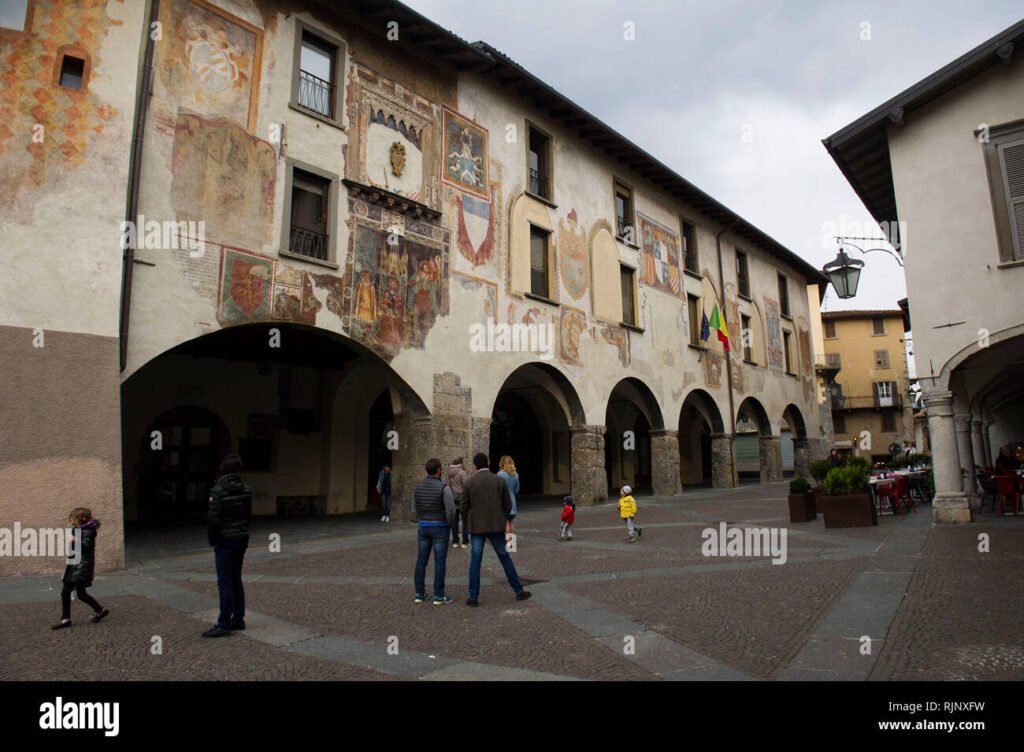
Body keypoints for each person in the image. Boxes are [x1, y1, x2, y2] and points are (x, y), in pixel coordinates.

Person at [461, 452, 531, 607]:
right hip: (496, 526)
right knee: (505, 558)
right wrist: (503, 518)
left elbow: (464, 507)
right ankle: (518, 591)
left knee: (475, 561)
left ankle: (473, 597)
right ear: (488, 462)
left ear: (474, 465)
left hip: (477, 527)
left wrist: (467, 523)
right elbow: (507, 504)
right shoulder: (499, 481)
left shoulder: (470, 482)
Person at [203, 454, 251, 638]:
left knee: (224, 582)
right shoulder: (246, 489)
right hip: (241, 538)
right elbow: (246, 516)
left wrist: (213, 540)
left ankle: (224, 623)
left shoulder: (217, 491)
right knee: (235, 579)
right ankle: (238, 618)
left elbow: (213, 521)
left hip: (225, 540)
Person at [52, 508, 109, 629]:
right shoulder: (79, 530)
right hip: (75, 565)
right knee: (81, 594)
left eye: (72, 519)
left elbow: (86, 546)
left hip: (81, 567)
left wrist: (73, 542)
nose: (71, 521)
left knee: (66, 592)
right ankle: (100, 610)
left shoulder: (88, 531)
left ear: (78, 519)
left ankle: (65, 619)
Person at [412, 458, 456, 605]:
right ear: (439, 470)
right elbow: (450, 510)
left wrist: (421, 519)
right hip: (440, 527)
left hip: (424, 526)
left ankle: (419, 593)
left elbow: (414, 509)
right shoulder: (444, 488)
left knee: (421, 561)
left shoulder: (417, 487)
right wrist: (449, 524)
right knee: (440, 562)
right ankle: (438, 595)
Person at [447, 458, 469, 548]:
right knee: (465, 521)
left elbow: (449, 485)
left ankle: (455, 541)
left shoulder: (450, 473)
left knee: (454, 521)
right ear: (461, 464)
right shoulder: (462, 473)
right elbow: (466, 485)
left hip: (453, 498)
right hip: (462, 499)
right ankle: (464, 542)